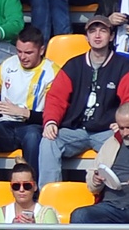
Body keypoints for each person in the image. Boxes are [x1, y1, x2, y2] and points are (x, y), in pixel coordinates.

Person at [39, 16, 129, 187]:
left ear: (111, 36)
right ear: (86, 37)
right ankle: (48, 200)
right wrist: (51, 121)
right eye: (92, 31)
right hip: (75, 131)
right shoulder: (73, 65)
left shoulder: (123, 66)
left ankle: (117, 198)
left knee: (126, 140)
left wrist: (123, 124)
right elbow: (56, 97)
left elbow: (128, 100)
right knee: (49, 141)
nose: (97, 35)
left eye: (103, 30)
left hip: (107, 132)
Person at [0, 26, 60, 181]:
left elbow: (55, 115)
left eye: (28, 53)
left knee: (33, 136)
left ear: (41, 50)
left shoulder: (52, 72)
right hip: (6, 125)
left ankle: (32, 189)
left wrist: (23, 113)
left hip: (33, 126)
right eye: (19, 51)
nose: (22, 57)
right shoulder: (8, 64)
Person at [70, 103, 129, 230]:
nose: (124, 133)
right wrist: (96, 179)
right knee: (80, 215)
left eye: (128, 128)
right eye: (121, 128)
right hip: (111, 207)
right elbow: (91, 177)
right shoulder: (112, 143)